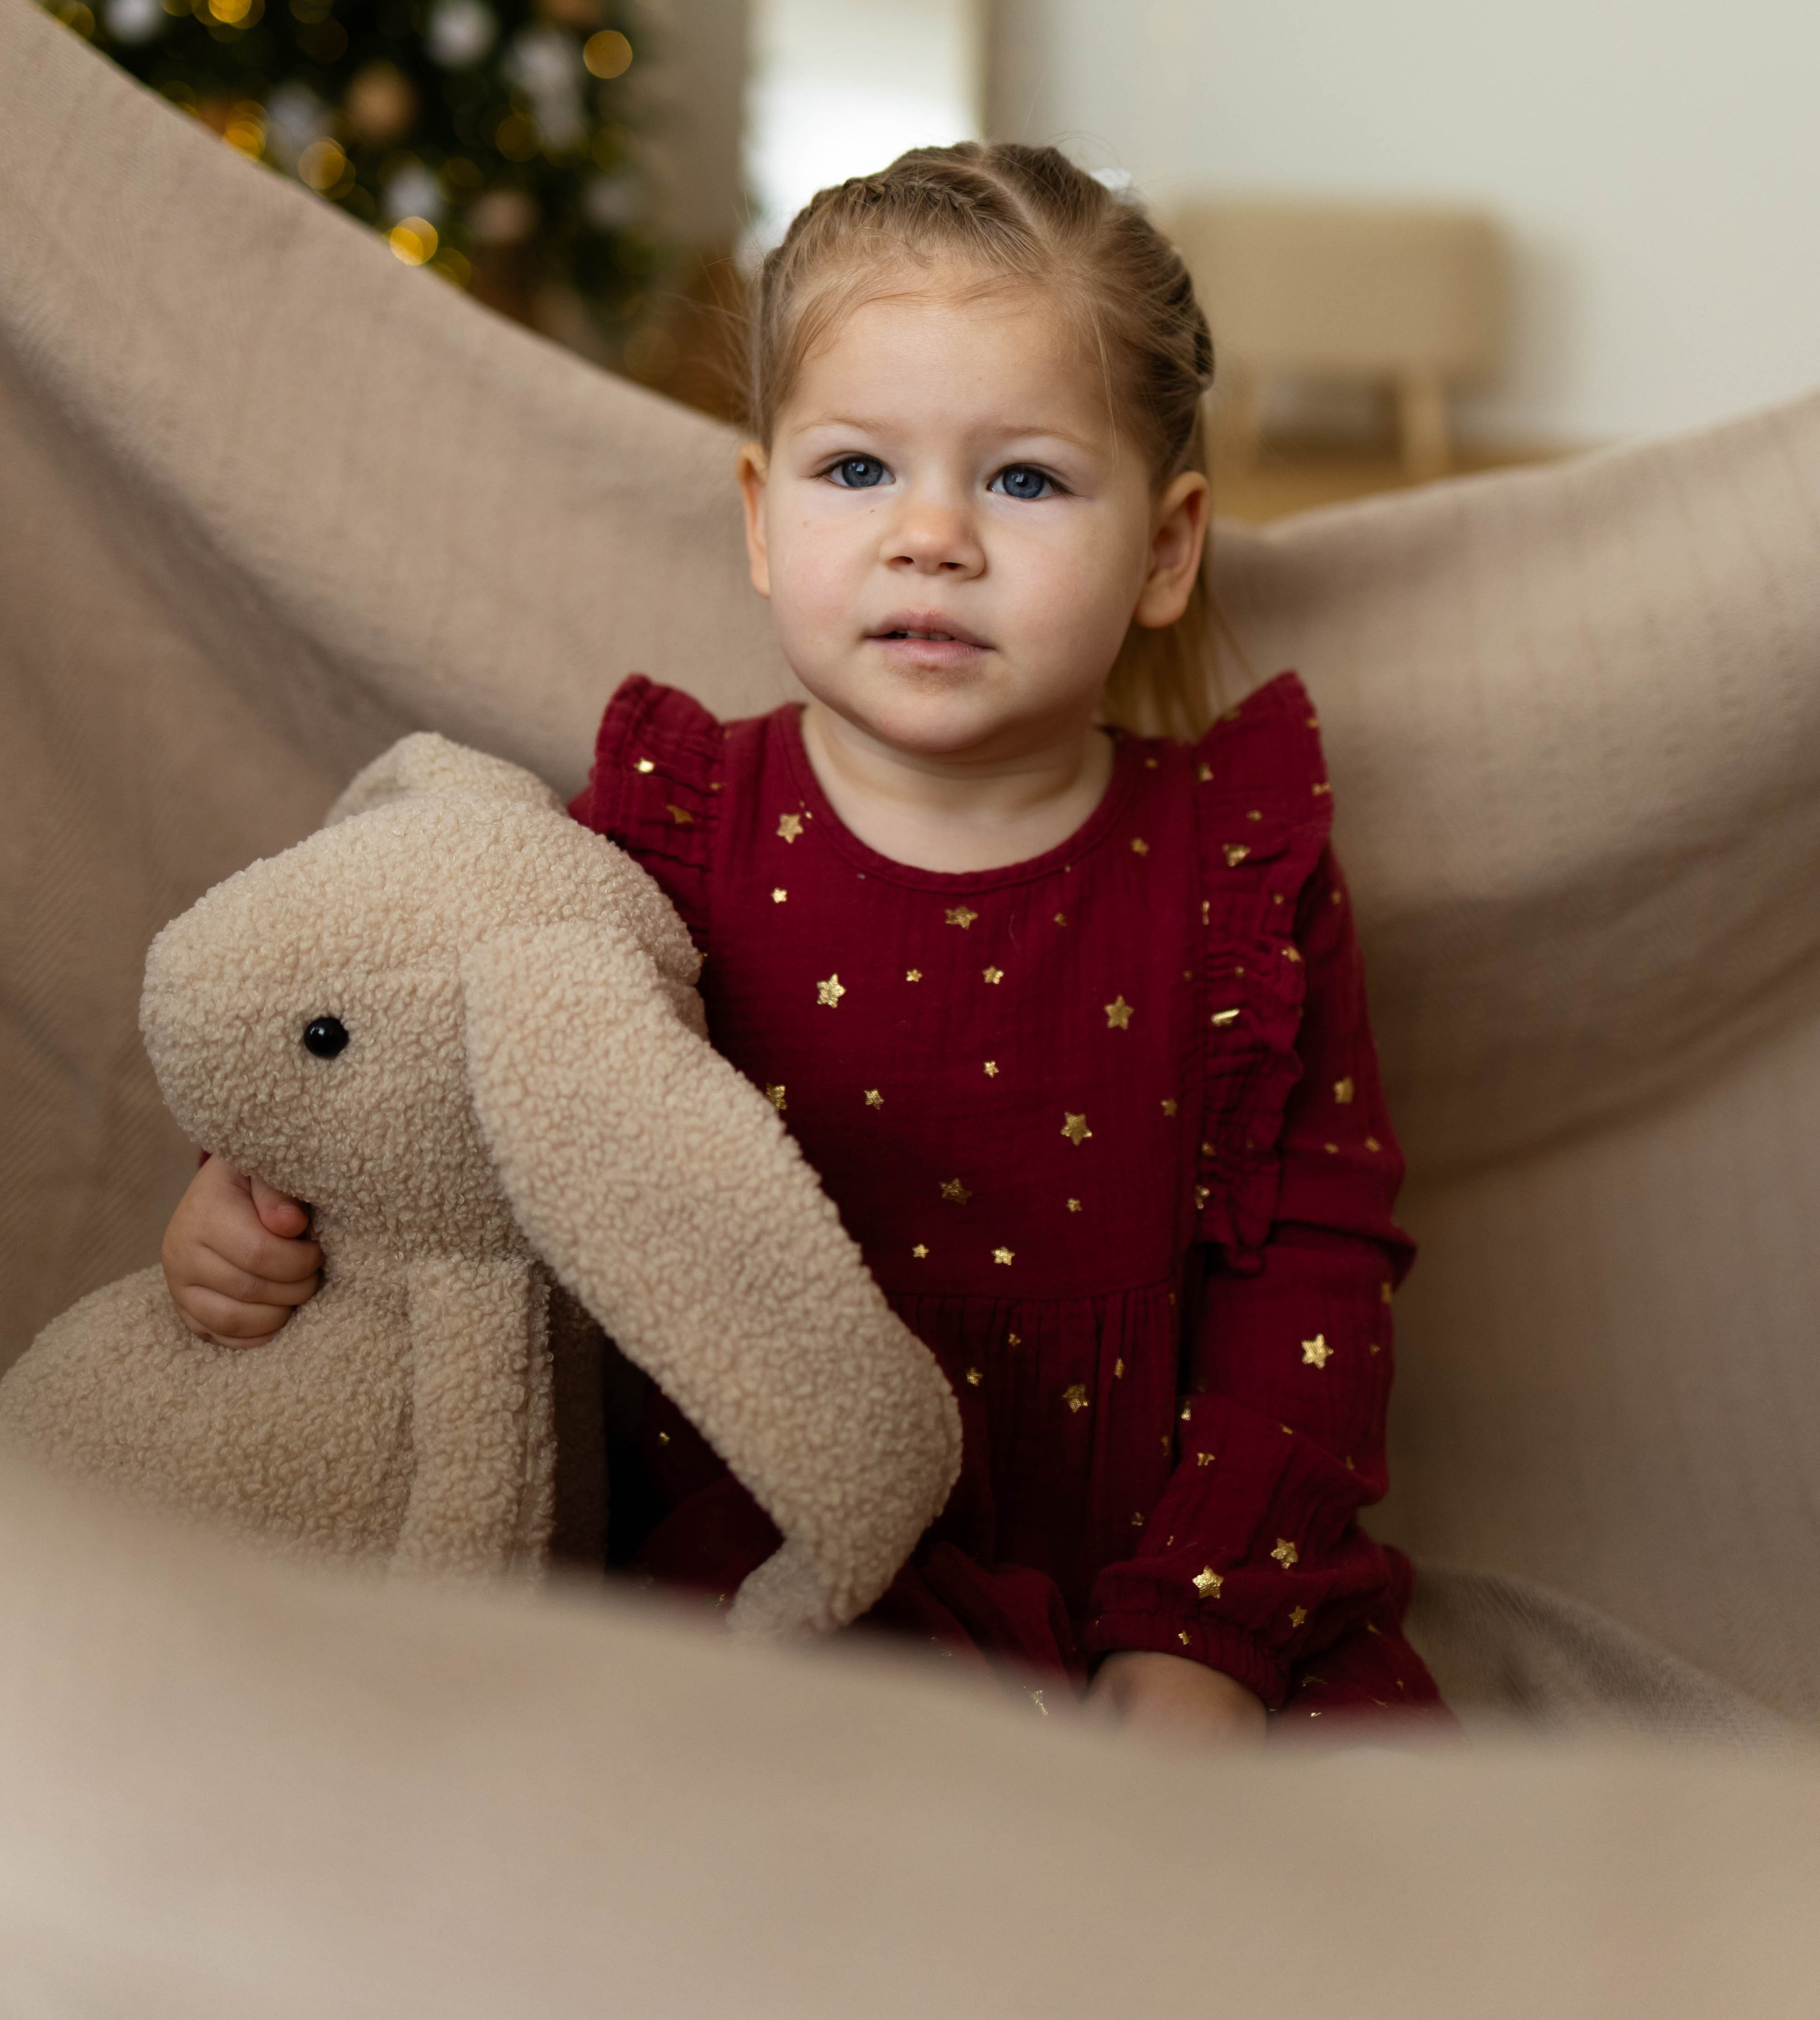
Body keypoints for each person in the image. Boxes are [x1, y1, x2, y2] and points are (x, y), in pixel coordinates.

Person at [161, 141, 1445, 1744]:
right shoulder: (672, 829)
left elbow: (1313, 1285)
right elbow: (437, 1087)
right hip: (770, 1575)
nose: (932, 538)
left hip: (1159, 1575)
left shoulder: (1233, 876)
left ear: (1167, 548)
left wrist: (1200, 1634)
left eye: (1023, 479)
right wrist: (262, 1197)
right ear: (763, 519)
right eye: (857, 472)